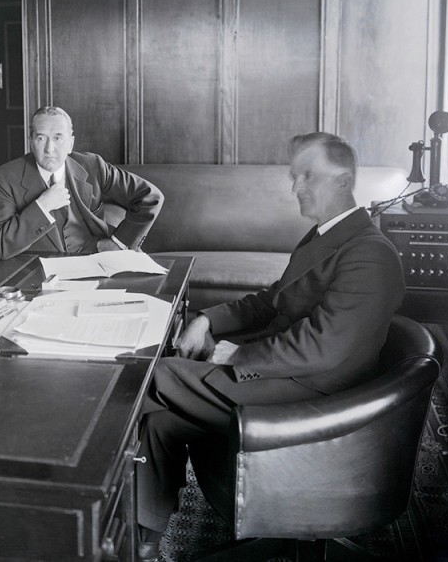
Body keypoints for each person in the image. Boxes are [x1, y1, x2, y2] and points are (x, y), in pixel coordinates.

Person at [135, 132, 405, 561]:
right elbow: (271, 301)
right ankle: (145, 542)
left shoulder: (370, 253)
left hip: (316, 397)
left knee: (156, 374)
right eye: (294, 176)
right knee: (162, 420)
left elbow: (323, 349)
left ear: (344, 180)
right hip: (288, 377)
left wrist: (238, 355)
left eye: (309, 176)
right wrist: (207, 318)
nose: (296, 187)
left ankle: (69, 491)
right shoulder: (323, 237)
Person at [0, 106, 164, 259]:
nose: (49, 149)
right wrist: (42, 206)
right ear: (31, 142)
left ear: (71, 143)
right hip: (38, 270)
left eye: (58, 138)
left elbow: (150, 197)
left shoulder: (93, 165)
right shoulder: (5, 177)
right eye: (41, 138)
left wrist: (118, 242)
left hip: (96, 261)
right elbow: (0, 245)